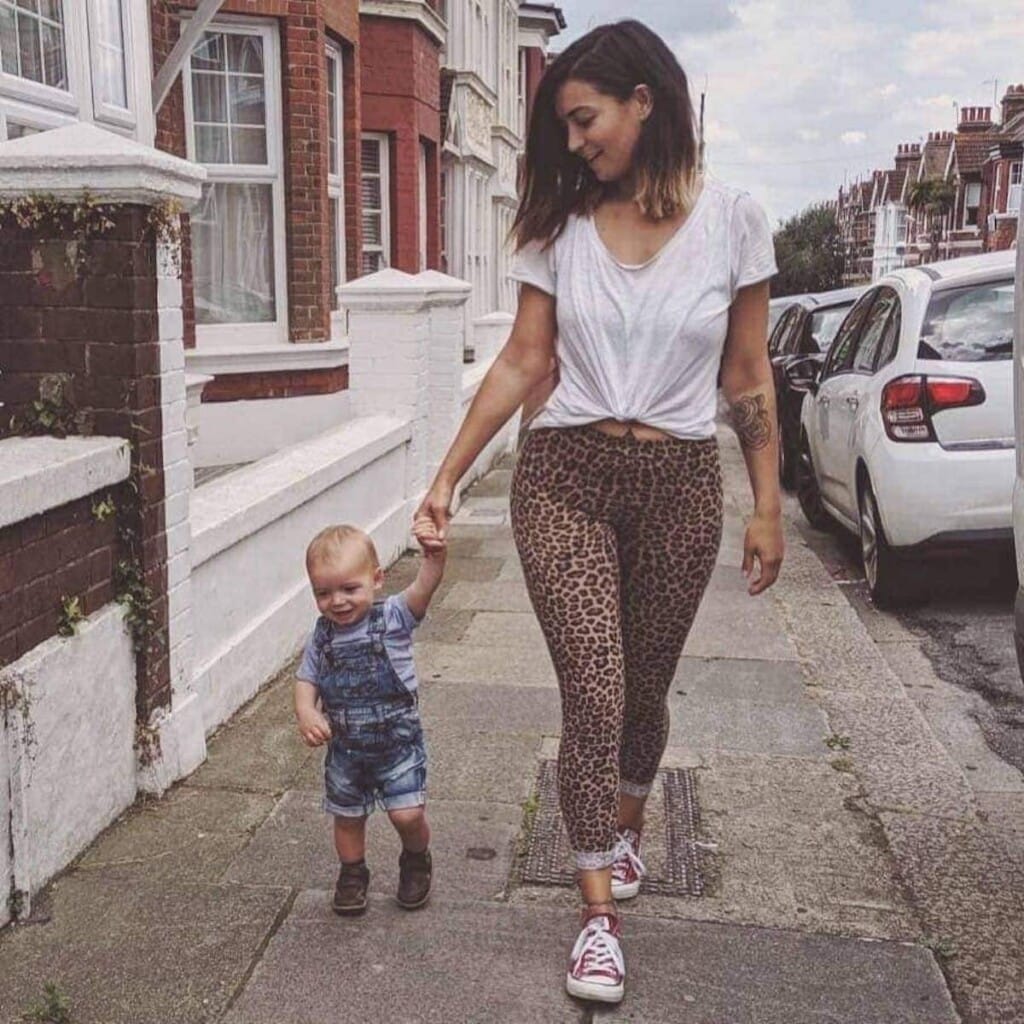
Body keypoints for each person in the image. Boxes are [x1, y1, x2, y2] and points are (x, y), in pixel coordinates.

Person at [415, 19, 783, 1005]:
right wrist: (448, 473)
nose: (574, 143)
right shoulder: (558, 226)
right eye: (564, 127)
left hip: (678, 486)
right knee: (593, 693)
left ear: (642, 102)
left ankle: (623, 830)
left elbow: (747, 374)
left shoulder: (736, 219)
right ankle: (596, 920)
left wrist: (766, 504)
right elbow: (524, 360)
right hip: (565, 478)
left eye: (585, 120)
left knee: (643, 696)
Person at [294, 520, 446, 915]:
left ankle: (416, 857)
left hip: (397, 743)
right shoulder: (322, 635)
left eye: (349, 588)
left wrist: (434, 558)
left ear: (377, 579)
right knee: (346, 816)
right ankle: (352, 873)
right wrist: (307, 710)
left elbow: (423, 589)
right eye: (323, 593)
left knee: (407, 813)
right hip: (346, 749)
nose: (338, 601)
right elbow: (306, 679)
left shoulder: (394, 616)